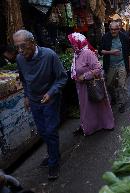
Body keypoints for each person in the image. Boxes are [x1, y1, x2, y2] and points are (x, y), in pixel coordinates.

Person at [13, 30, 67, 180]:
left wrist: (51, 92)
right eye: (17, 47)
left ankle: (54, 163)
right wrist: (26, 96)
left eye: (23, 46)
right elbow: (24, 79)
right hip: (34, 100)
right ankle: (53, 153)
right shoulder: (20, 58)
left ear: (33, 42)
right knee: (43, 132)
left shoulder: (49, 55)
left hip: (50, 99)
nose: (20, 51)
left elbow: (62, 78)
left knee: (50, 131)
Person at [68, 32, 115, 136]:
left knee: (97, 104)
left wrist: (84, 76)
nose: (71, 45)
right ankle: (89, 126)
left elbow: (98, 69)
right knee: (87, 107)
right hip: (82, 86)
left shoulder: (87, 53)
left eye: (72, 43)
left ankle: (104, 124)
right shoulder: (77, 54)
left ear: (78, 43)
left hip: (91, 84)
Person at [100, 21, 130, 113]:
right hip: (110, 65)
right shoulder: (105, 37)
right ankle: (114, 97)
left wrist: (128, 65)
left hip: (122, 64)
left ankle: (122, 103)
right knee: (109, 84)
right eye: (111, 29)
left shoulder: (124, 37)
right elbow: (100, 51)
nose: (113, 31)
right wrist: (111, 52)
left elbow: (129, 52)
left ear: (119, 29)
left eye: (115, 29)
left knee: (122, 85)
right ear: (109, 29)